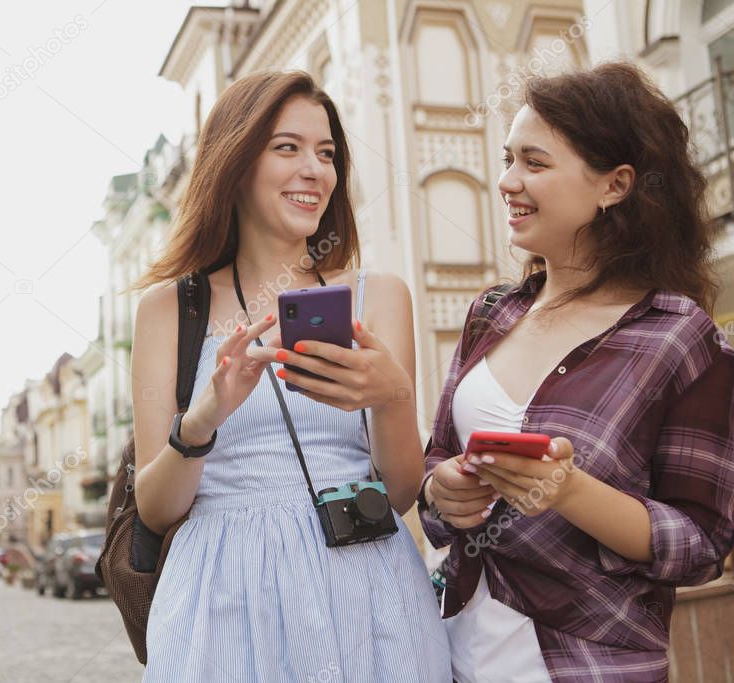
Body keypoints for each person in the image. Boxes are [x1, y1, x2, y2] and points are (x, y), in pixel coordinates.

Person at [419, 61, 734, 683]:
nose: (507, 181)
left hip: (588, 665)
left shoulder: (680, 338)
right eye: (508, 159)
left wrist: (566, 490)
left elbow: (701, 546)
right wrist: (441, 491)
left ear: (614, 185)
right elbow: (437, 465)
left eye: (534, 164)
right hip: (449, 653)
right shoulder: (490, 313)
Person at [131, 70, 450, 682]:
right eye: (288, 147)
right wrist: (205, 417)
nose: (316, 170)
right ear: (236, 162)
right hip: (218, 599)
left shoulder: (378, 296)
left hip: (367, 591)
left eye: (326, 153)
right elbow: (157, 507)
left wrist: (391, 398)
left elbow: (401, 492)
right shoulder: (170, 309)